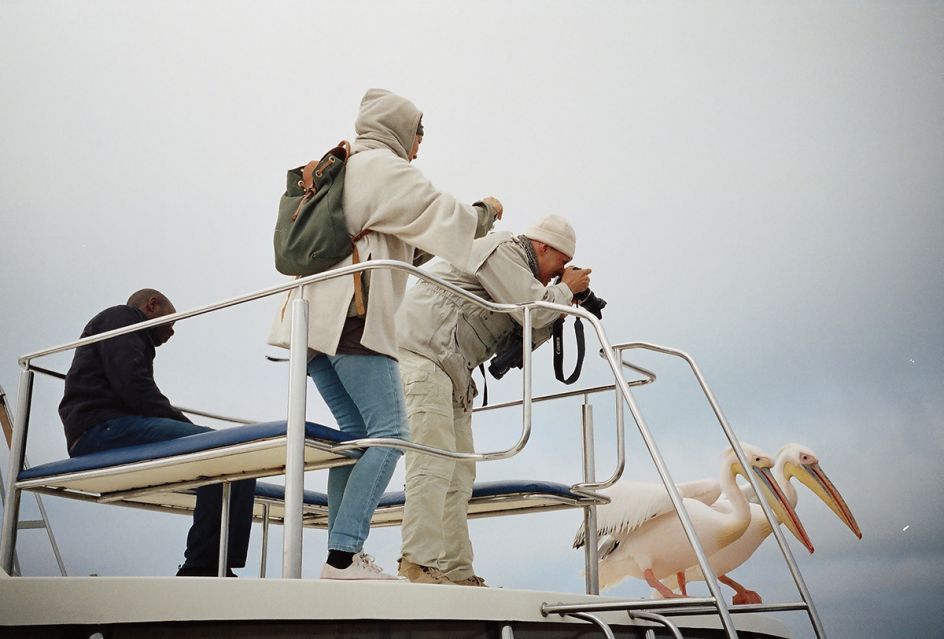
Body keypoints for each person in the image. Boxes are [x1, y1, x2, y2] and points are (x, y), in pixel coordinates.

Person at [267, 88, 502, 580]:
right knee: (394, 436)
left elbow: (397, 241)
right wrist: (486, 211)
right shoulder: (384, 168)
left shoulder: (348, 164)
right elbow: (448, 216)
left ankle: (342, 558)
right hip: (350, 319)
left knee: (357, 438)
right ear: (400, 129)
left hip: (309, 325)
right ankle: (343, 557)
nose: (420, 145)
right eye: (419, 133)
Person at [395, 215, 591, 586]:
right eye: (561, 264)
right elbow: (530, 309)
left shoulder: (521, 277)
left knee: (458, 476)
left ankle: (454, 570)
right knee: (432, 464)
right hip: (424, 357)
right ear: (543, 247)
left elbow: (518, 341)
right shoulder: (503, 250)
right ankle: (416, 564)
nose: (559, 274)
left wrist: (564, 305)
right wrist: (564, 291)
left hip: (450, 369)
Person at [59, 289, 256, 577]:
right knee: (228, 450)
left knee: (237, 458)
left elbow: (134, 390)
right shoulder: (123, 319)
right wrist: (190, 429)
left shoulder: (127, 331)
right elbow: (135, 387)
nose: (172, 333)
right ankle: (203, 564)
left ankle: (216, 561)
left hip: (111, 427)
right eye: (171, 323)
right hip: (101, 428)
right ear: (152, 305)